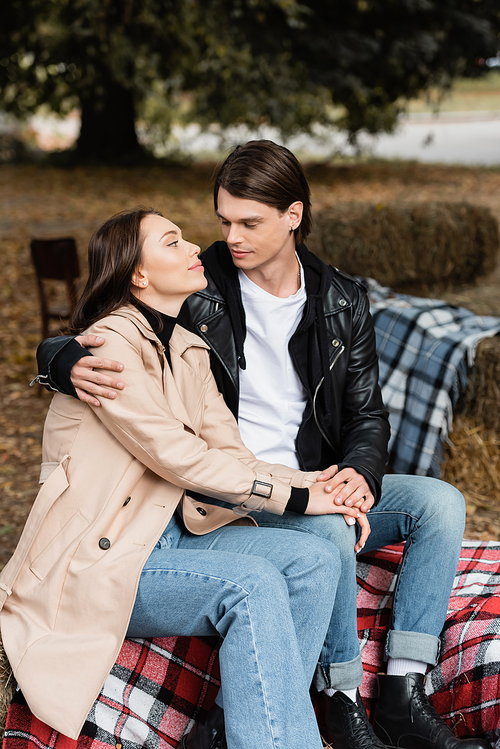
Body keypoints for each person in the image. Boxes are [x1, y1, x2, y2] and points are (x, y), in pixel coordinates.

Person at [34, 142, 490, 749]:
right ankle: (339, 697)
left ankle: (405, 688)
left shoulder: (342, 300)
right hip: (228, 495)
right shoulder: (200, 292)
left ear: (293, 216)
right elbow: (113, 322)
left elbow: (367, 414)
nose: (228, 238)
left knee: (439, 502)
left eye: (249, 223)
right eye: (224, 221)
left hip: (292, 476)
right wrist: (59, 358)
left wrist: (354, 476)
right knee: (323, 537)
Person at [0, 207, 366, 749]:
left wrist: (317, 485)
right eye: (172, 242)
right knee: (255, 583)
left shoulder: (187, 348)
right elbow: (178, 457)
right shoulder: (107, 349)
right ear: (139, 274)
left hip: (170, 538)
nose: (195, 246)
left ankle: (229, 730)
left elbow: (230, 453)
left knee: (313, 559)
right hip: (109, 555)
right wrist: (291, 498)